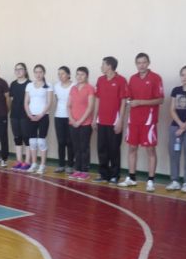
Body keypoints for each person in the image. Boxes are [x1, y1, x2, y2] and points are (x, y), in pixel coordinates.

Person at [118, 53, 164, 192]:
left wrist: (140, 102)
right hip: (134, 120)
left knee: (150, 150)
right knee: (132, 148)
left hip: (148, 121)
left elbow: (160, 99)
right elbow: (129, 98)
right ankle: (132, 178)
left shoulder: (156, 78)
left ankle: (150, 180)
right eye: (139, 62)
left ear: (148, 63)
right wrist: (129, 101)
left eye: (144, 62)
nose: (141, 65)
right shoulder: (133, 78)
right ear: (136, 64)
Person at [92, 56, 128, 184]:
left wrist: (120, 121)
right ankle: (103, 174)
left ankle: (115, 175)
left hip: (114, 121)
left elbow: (123, 102)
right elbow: (98, 99)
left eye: (103, 64)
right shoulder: (100, 80)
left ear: (110, 66)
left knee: (114, 149)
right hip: (101, 121)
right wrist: (94, 118)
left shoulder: (121, 80)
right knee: (102, 149)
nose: (101, 67)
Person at [67, 67, 95, 180]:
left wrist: (80, 121)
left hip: (85, 124)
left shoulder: (90, 88)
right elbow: (68, 106)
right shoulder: (73, 88)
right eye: (77, 74)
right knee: (76, 147)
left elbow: (90, 107)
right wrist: (72, 120)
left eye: (82, 74)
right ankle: (77, 169)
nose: (79, 76)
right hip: (73, 123)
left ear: (86, 76)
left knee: (84, 147)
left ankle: (85, 171)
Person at [24, 64, 53, 174]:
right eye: (36, 72)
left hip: (43, 116)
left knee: (41, 141)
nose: (38, 74)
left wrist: (41, 115)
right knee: (32, 141)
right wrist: (29, 115)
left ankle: (43, 165)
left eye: (40, 72)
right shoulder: (29, 85)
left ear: (44, 73)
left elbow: (49, 102)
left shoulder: (48, 85)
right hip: (31, 116)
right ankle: (34, 164)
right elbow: (26, 102)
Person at [9, 62, 31, 170]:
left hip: (25, 115)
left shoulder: (30, 84)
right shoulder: (13, 84)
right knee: (17, 138)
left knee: (27, 138)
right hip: (14, 115)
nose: (18, 71)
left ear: (25, 71)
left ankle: (27, 161)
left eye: (20, 69)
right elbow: (12, 99)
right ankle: (19, 160)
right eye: (16, 69)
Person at [53, 66, 74, 173]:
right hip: (59, 116)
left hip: (70, 117)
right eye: (59, 74)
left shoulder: (74, 86)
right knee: (61, 141)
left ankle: (70, 165)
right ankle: (61, 164)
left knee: (70, 142)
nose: (60, 76)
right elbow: (57, 100)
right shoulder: (56, 86)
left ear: (68, 74)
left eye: (63, 73)